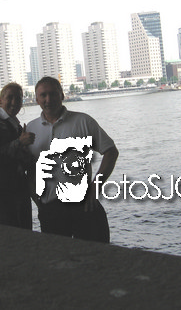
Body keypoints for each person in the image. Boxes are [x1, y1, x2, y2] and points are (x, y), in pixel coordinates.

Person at [26, 76, 118, 243]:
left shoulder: (83, 121)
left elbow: (111, 152)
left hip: (85, 205)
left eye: (53, 94)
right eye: (43, 95)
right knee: (58, 256)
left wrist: (95, 186)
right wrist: (37, 199)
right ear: (37, 99)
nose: (48, 99)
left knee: (97, 254)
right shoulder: (30, 129)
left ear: (62, 95)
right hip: (50, 209)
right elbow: (29, 167)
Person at [0, 83, 35, 229]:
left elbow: (19, 160)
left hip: (19, 188)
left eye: (18, 98)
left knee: (25, 231)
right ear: (1, 100)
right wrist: (19, 143)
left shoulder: (17, 127)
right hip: (1, 189)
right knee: (11, 232)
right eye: (10, 97)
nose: (14, 102)